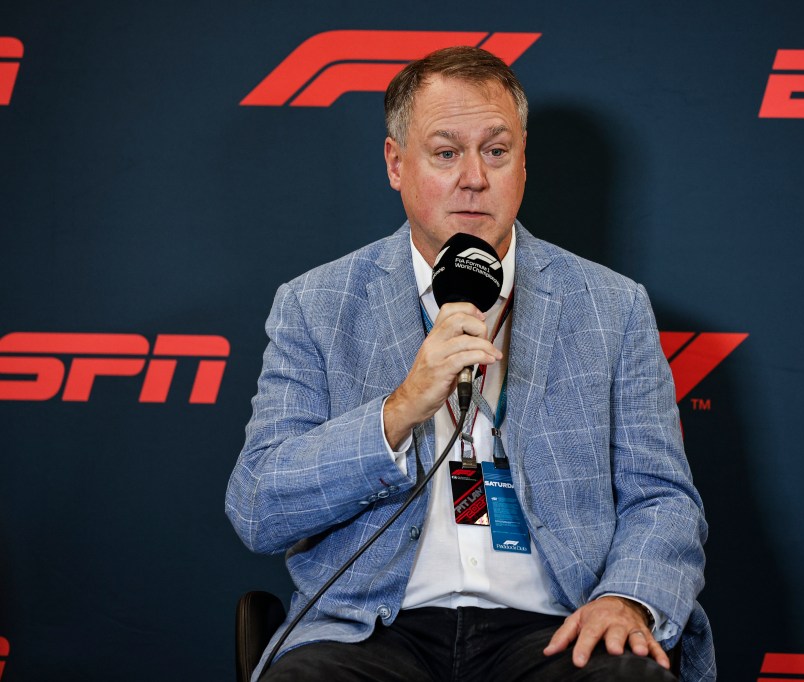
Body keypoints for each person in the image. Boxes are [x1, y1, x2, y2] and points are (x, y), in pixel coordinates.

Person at [226, 46, 715, 682]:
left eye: (496, 150)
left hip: (555, 624)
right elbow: (259, 506)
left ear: (523, 161)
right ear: (396, 163)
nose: (475, 178)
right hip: (373, 629)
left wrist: (625, 598)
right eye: (447, 152)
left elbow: (664, 498)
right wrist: (398, 412)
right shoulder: (315, 305)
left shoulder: (610, 306)